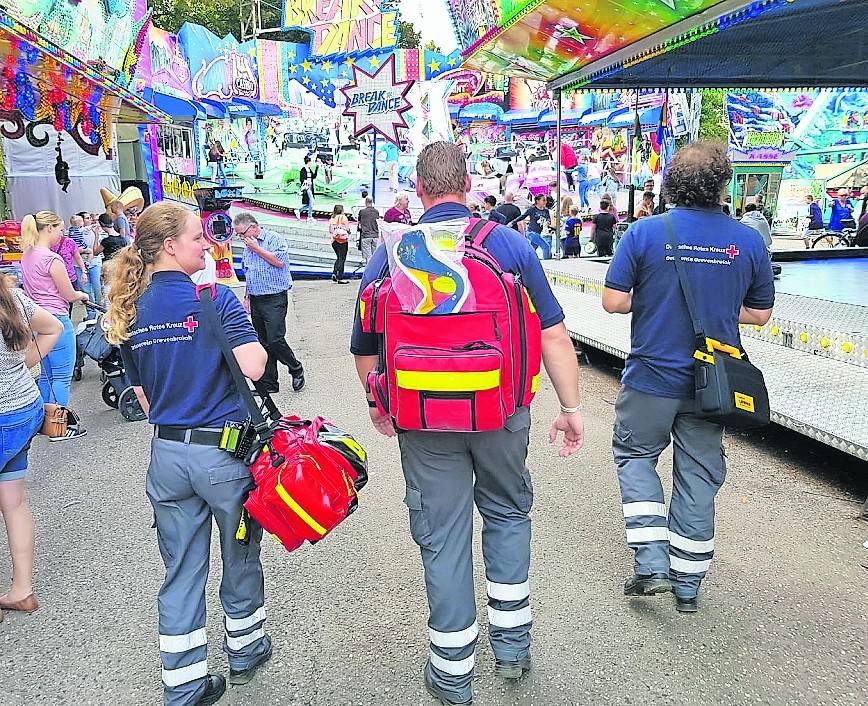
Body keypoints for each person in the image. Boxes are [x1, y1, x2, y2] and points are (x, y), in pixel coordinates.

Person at [351, 141, 584, 705]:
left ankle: (453, 670)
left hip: (425, 419)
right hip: (502, 411)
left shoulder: (393, 250)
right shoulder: (507, 244)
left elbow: (364, 347)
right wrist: (571, 409)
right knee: (507, 513)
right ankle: (512, 646)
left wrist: (382, 404)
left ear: (420, 187)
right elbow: (552, 332)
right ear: (468, 183)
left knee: (443, 531)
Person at [105, 202, 272, 706]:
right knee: (239, 551)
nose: (207, 244)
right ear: (171, 246)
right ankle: (244, 650)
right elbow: (256, 367)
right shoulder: (214, 298)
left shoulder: (130, 308)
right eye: (198, 237)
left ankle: (183, 685)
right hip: (221, 455)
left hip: (168, 456)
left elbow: (144, 399)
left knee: (180, 568)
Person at [602, 142, 775, 613]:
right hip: (712, 382)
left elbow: (614, 301)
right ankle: (688, 583)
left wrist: (655, 298)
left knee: (636, 456)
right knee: (699, 472)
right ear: (722, 185)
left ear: (671, 184)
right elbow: (759, 314)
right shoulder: (749, 240)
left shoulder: (644, 233)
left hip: (651, 378)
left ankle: (652, 562)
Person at [0, 275, 63, 621]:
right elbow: (53, 327)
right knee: (14, 501)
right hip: (23, 410)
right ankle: (21, 589)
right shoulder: (12, 297)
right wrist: (20, 365)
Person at [19, 212, 89, 431]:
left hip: (36, 320)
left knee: (46, 375)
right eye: (59, 229)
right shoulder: (51, 258)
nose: (61, 234)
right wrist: (82, 296)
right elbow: (68, 294)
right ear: (48, 228)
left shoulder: (27, 255)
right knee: (61, 376)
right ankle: (59, 427)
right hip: (56, 319)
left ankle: (42, 423)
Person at [233, 212, 305, 394]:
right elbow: (249, 272)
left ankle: (295, 368)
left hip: (274, 297)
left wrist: (257, 249)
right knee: (263, 341)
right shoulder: (248, 247)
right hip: (256, 298)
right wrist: (247, 297)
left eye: (242, 234)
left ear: (253, 227)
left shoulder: (274, 240)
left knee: (275, 339)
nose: (241, 238)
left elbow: (280, 262)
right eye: (239, 235)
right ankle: (270, 383)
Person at [510, 193, 552, 260]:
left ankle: (525, 261)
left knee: (532, 250)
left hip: (538, 233)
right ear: (537, 201)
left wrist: (548, 221)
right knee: (546, 247)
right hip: (531, 232)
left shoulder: (546, 210)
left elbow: (548, 218)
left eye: (545, 200)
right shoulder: (532, 210)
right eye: (543, 200)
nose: (545, 202)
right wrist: (512, 223)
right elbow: (522, 217)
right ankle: (548, 262)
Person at [78, 214, 104, 319]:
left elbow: (97, 248)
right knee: (86, 290)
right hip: (79, 264)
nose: (91, 220)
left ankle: (100, 310)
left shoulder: (97, 231)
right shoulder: (76, 233)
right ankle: (91, 313)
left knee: (97, 287)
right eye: (88, 218)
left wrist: (96, 234)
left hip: (95, 263)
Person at [329, 204, 351, 284]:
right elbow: (347, 228)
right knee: (342, 258)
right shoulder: (343, 218)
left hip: (334, 241)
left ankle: (334, 272)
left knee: (338, 257)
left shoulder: (332, 218)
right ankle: (340, 277)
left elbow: (330, 230)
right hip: (343, 240)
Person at [357, 197, 380, 262]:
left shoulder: (362, 212)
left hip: (366, 235)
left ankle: (369, 270)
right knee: (374, 256)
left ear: (365, 202)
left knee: (368, 257)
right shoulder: (376, 211)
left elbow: (359, 224)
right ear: (372, 202)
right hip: (375, 235)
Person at [299, 155, 318, 221]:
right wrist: (307, 181)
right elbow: (301, 179)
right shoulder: (303, 169)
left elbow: (314, 176)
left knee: (310, 203)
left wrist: (317, 168)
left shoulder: (309, 169)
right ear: (308, 162)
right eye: (311, 162)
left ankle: (298, 210)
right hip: (306, 187)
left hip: (310, 187)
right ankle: (309, 216)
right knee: (311, 201)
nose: (311, 163)